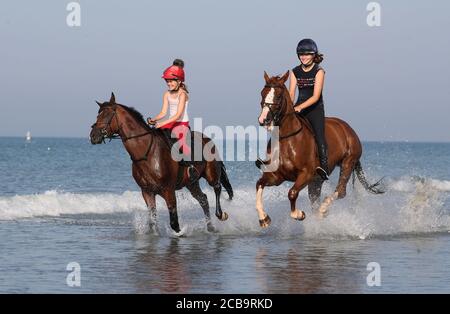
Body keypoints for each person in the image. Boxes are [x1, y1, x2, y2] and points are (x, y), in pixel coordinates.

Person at [147, 59, 199, 183]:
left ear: (179, 81)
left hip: (182, 124)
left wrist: (162, 123)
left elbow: (177, 115)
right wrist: (153, 119)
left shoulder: (183, 94)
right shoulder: (166, 94)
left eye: (171, 81)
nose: (168, 84)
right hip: (170, 123)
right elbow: (163, 112)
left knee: (183, 145)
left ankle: (191, 168)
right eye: (167, 81)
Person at [290, 38, 329, 180]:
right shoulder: (294, 72)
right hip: (298, 107)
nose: (304, 57)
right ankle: (270, 159)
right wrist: (290, 108)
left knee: (319, 136)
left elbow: (315, 96)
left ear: (313, 55)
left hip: (315, 109)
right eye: (301, 55)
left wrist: (300, 107)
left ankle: (323, 168)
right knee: (280, 127)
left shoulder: (319, 71)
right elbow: (291, 94)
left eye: (307, 54)